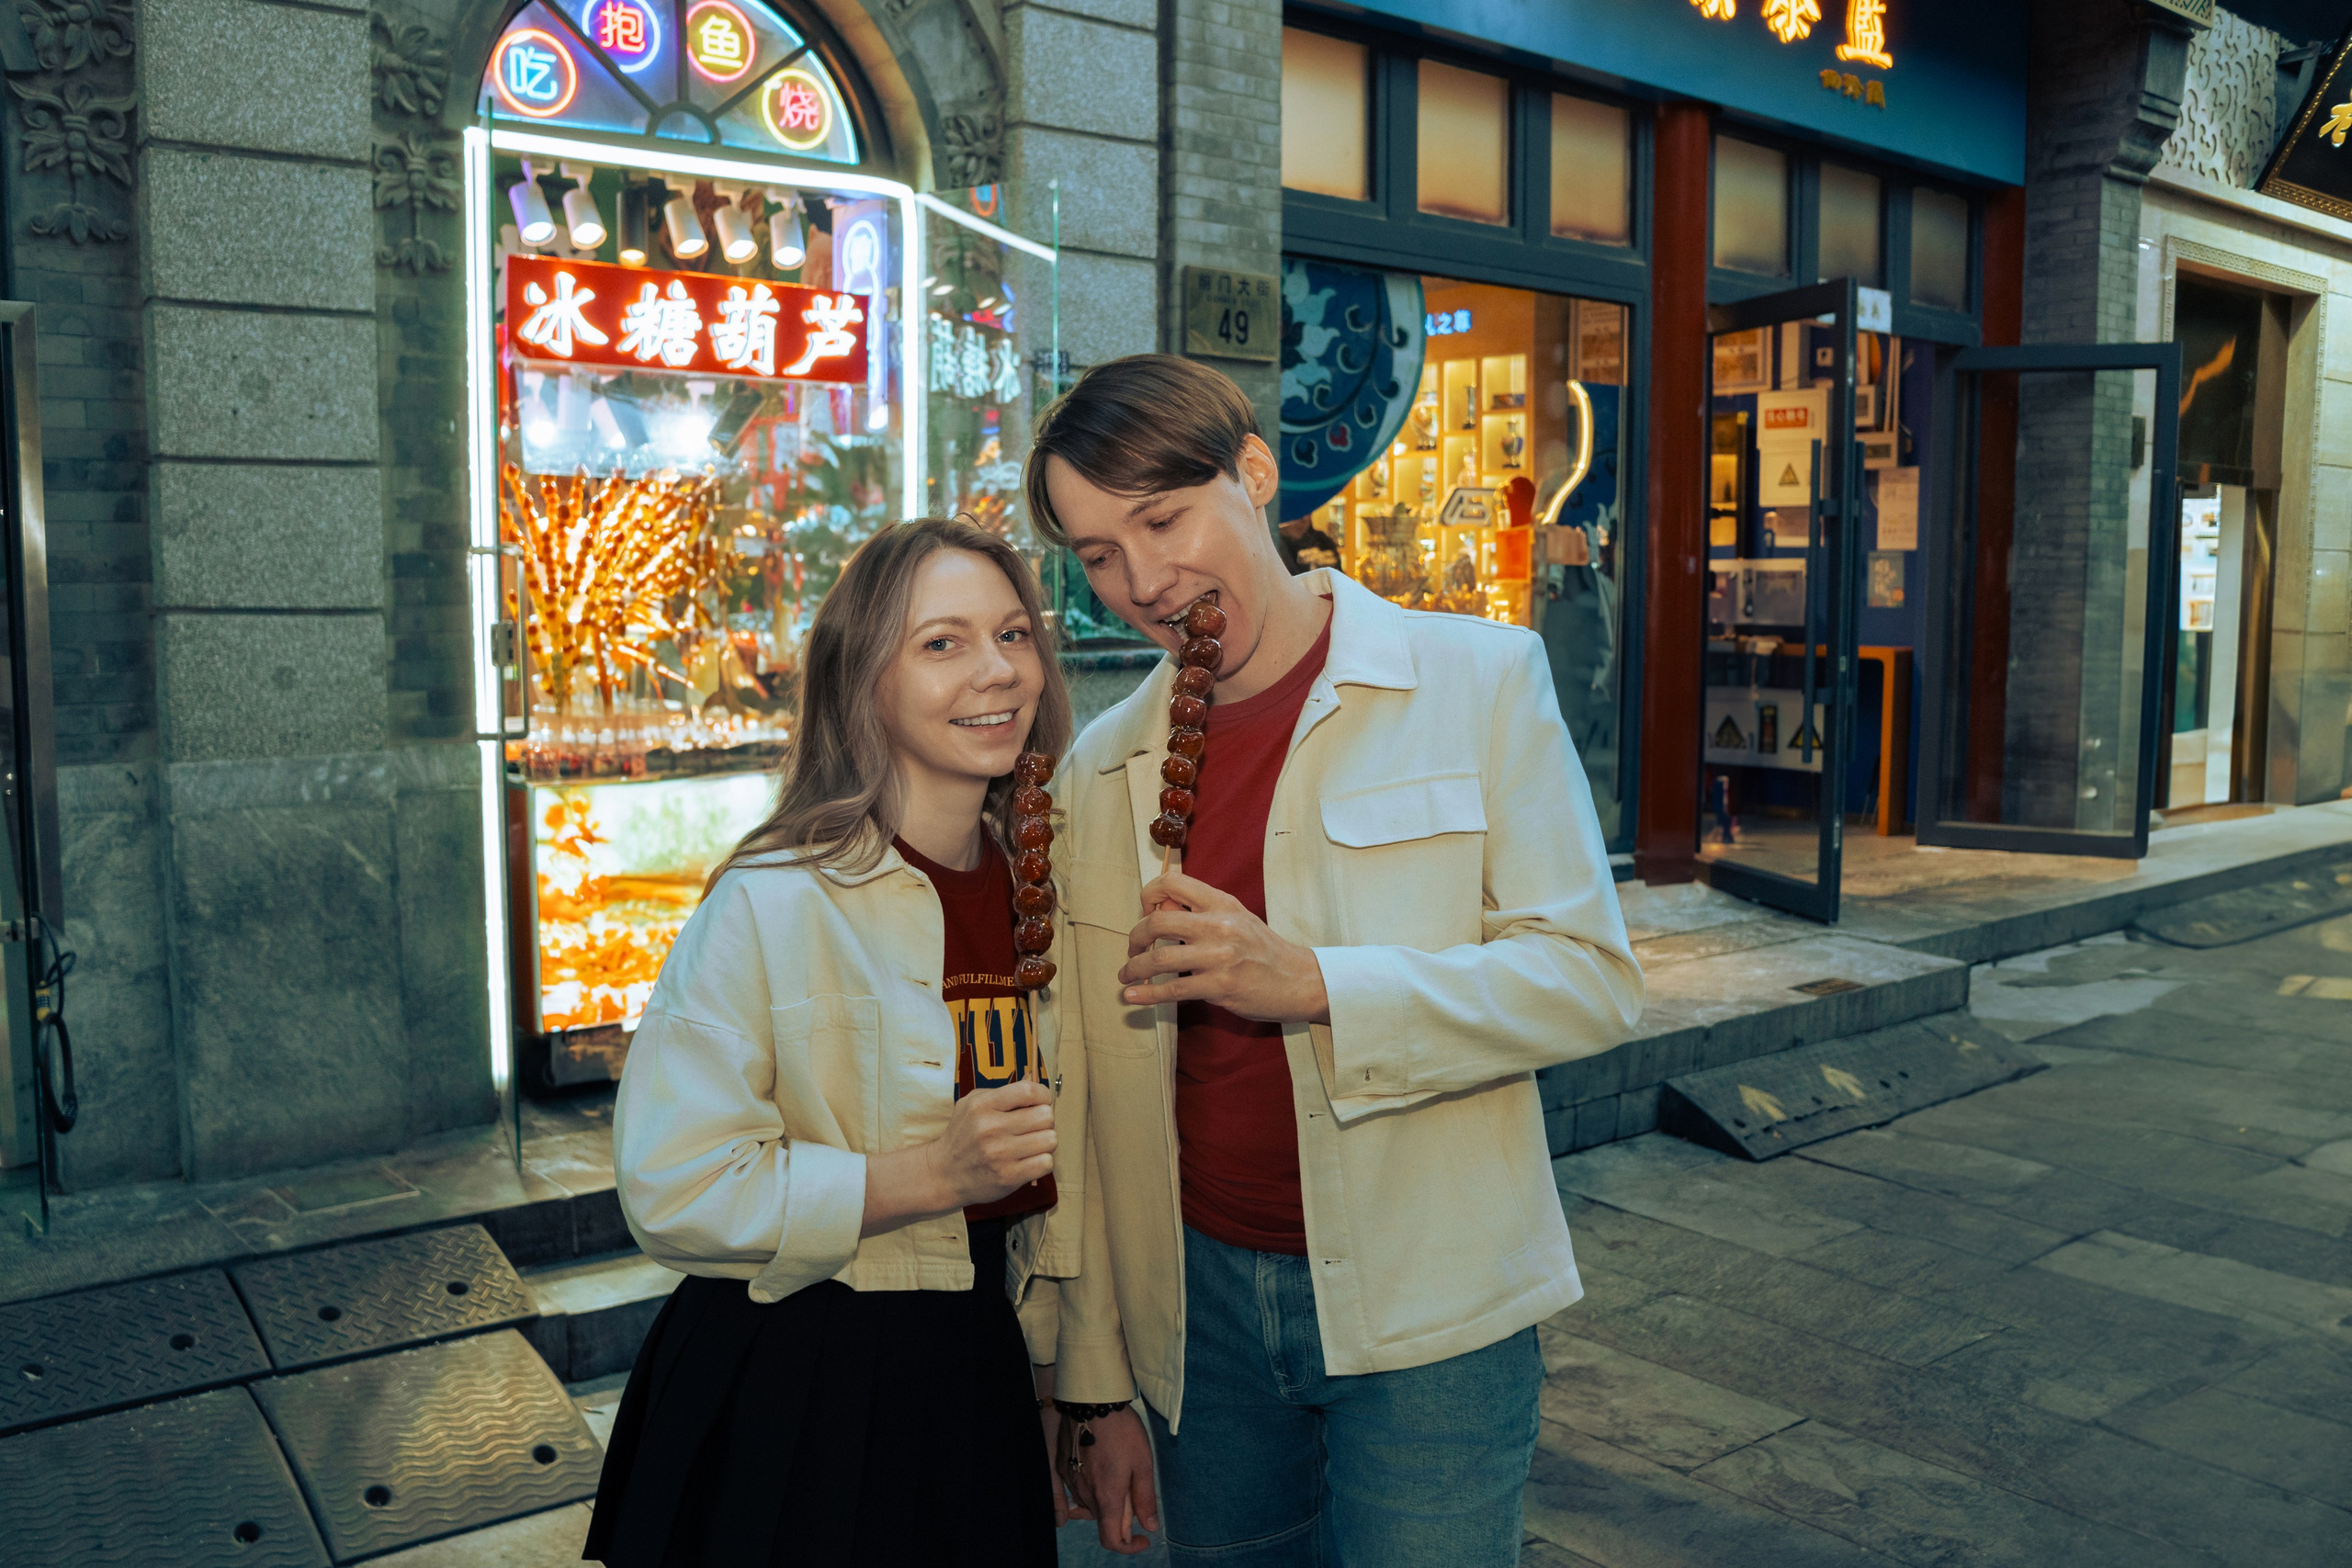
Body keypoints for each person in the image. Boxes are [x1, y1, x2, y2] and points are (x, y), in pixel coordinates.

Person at [1023, 356, 1643, 1565]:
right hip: (1198, 1317)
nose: (1142, 581)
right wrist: (1094, 1382)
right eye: (1098, 553)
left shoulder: (1477, 680)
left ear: (1254, 471)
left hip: (1433, 1299)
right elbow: (1086, 1094)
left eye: (1163, 517)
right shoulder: (1099, 771)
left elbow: (1588, 975)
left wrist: (1313, 980)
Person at [585, 519, 1086, 1568]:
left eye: (1013, 634)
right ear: (865, 678)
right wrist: (921, 1175)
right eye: (941, 644)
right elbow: (672, 1187)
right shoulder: (775, 899)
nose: (996, 671)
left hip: (979, 1370)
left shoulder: (1048, 883)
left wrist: (1062, 1387)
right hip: (795, 1378)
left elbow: (1046, 1194)